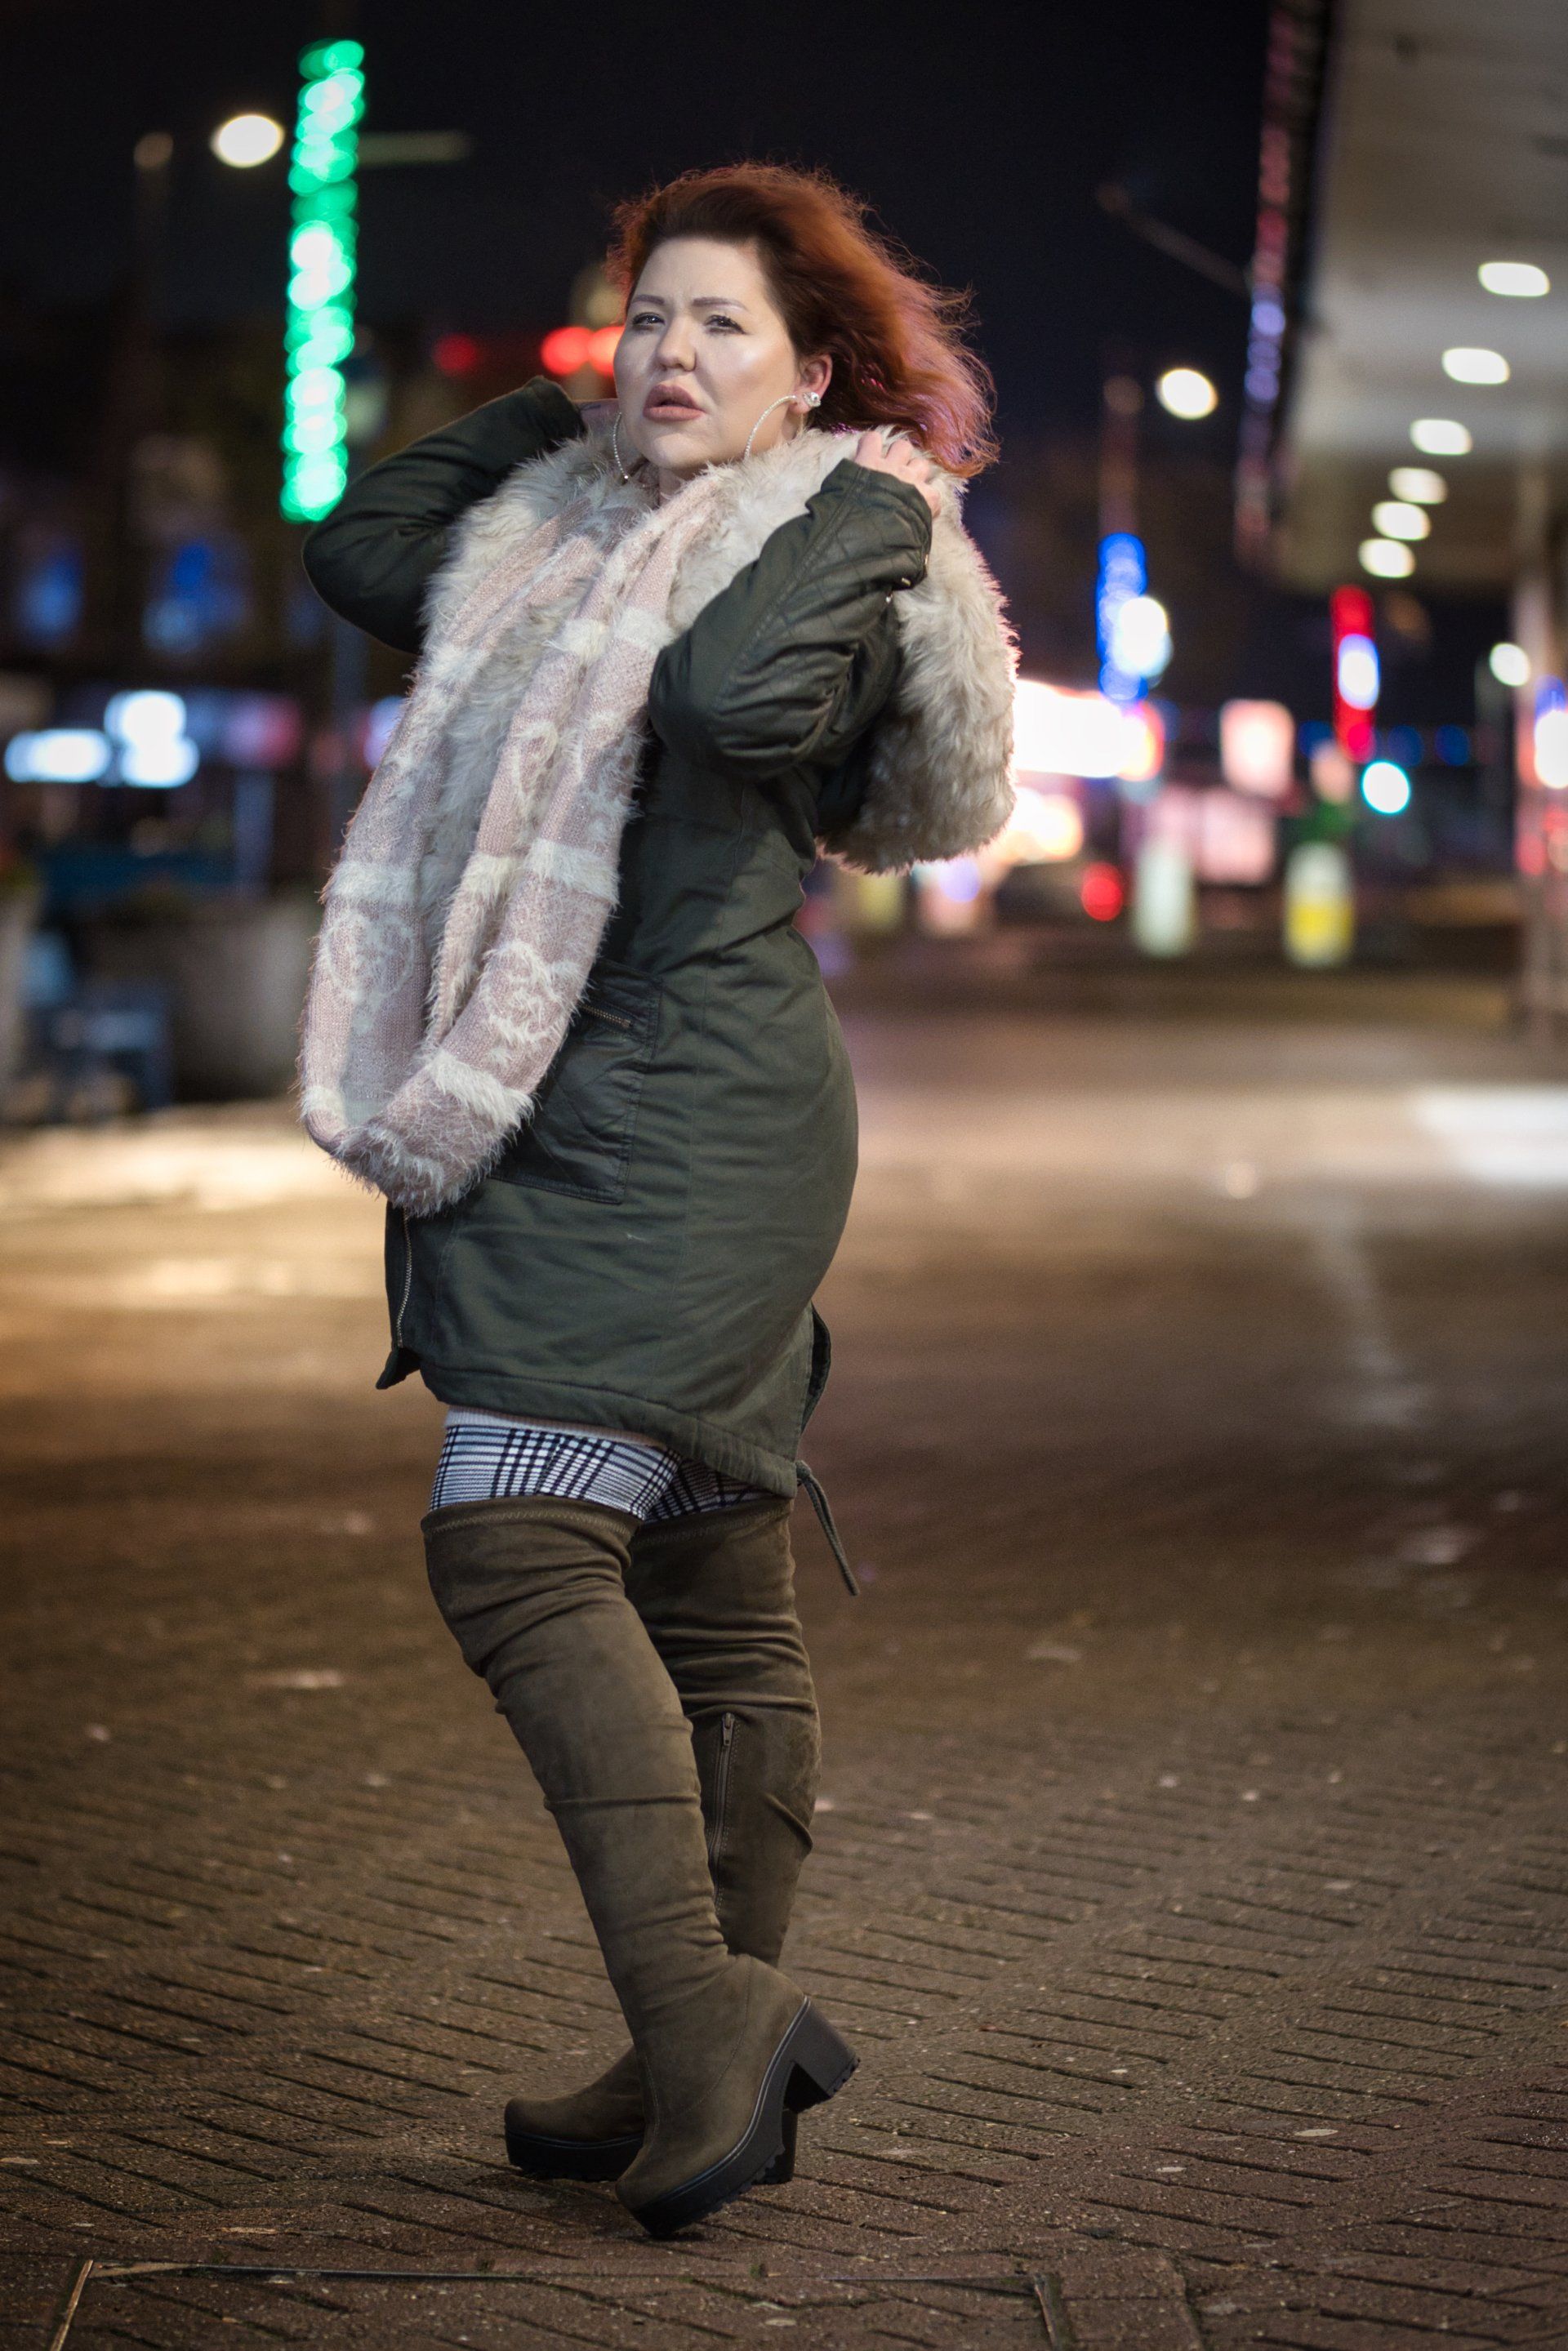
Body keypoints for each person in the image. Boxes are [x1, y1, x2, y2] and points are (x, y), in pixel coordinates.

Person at [298, 161, 1016, 2236]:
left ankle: (703, 2016)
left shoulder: (837, 548)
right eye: (648, 316)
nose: (670, 352)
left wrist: (876, 491)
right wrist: (571, 410)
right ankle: (697, 2031)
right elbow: (360, 551)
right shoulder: (568, 523)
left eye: (721, 324)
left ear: (817, 373)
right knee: (708, 1590)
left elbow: (725, 706)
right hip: (559, 1099)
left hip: (691, 1114)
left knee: (516, 1545)